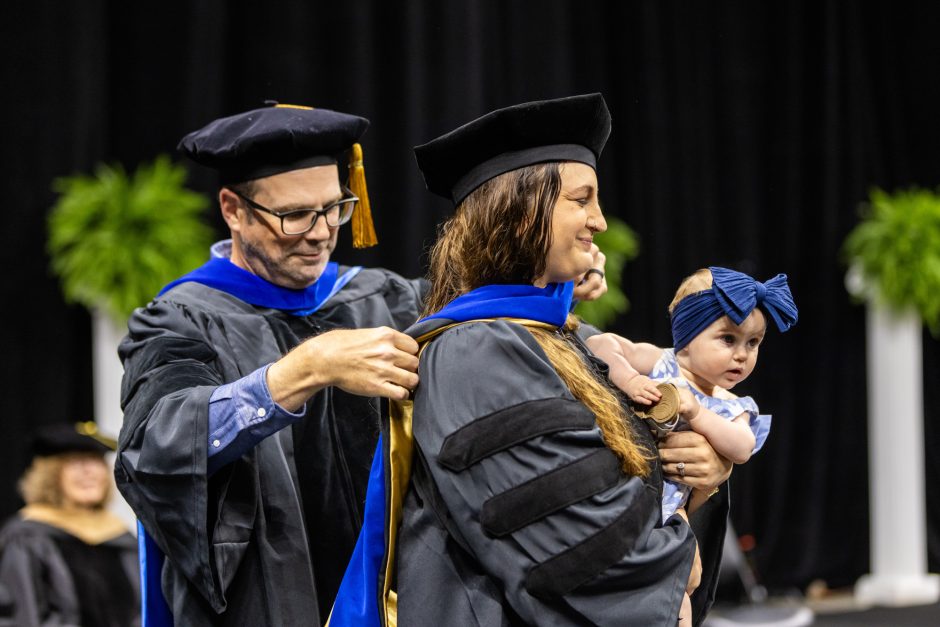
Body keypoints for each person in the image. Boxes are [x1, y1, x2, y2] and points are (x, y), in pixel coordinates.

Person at [115, 102, 610, 626]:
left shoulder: (388, 299)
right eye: (294, 215)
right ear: (233, 210)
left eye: (334, 209)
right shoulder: (181, 319)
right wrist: (302, 370)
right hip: (268, 601)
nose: (321, 232)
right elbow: (154, 444)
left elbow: (502, 338)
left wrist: (548, 285)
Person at [329, 94, 733, 627]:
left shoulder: (558, 339)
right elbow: (578, 545)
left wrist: (701, 475)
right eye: (582, 200)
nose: (600, 221)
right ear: (521, 213)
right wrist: (677, 553)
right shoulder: (478, 350)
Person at [586, 265, 799, 617]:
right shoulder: (661, 363)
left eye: (753, 343)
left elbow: (742, 447)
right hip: (623, 494)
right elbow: (600, 343)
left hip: (672, 511)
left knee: (679, 584)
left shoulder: (734, 406)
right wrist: (627, 379)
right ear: (688, 332)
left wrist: (697, 413)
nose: (742, 354)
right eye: (728, 339)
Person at [0, 422, 140, 627]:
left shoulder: (121, 537)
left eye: (95, 462)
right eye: (75, 463)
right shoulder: (27, 536)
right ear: (50, 475)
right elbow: (23, 616)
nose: (88, 472)